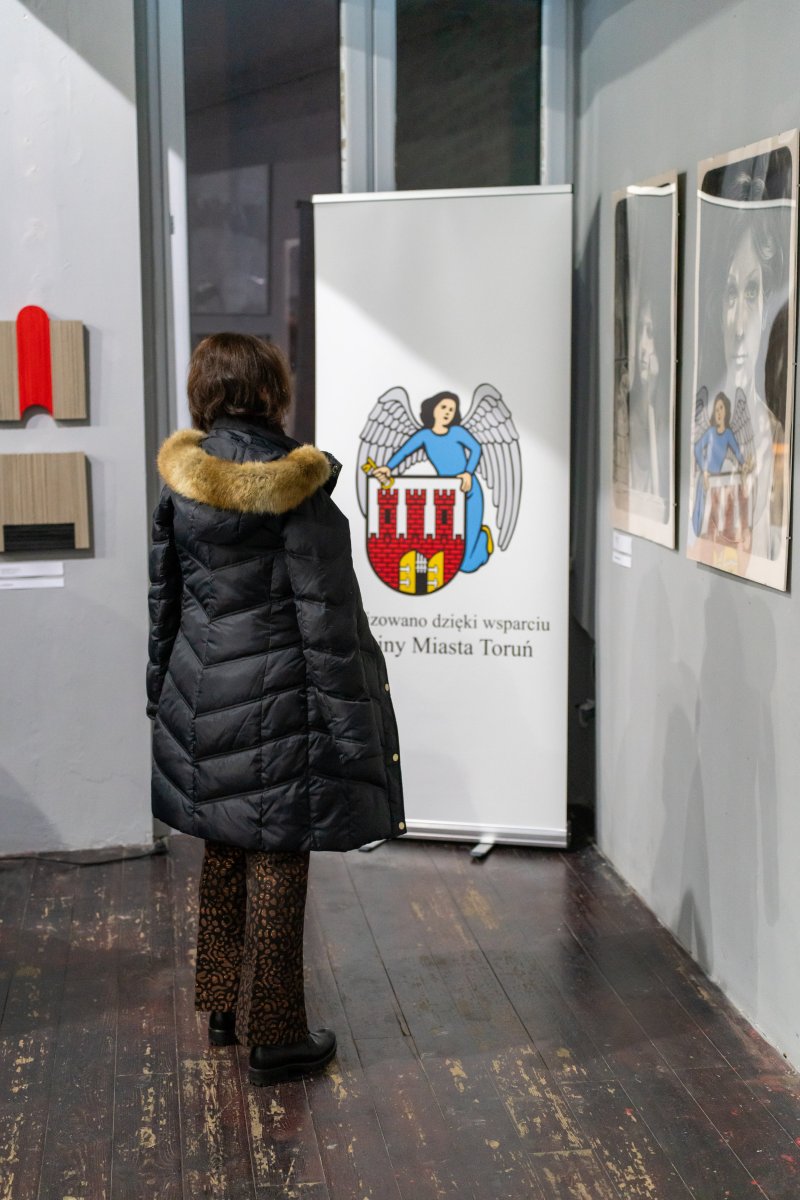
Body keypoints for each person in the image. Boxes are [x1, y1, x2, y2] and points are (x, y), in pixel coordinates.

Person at [146, 333, 405, 1086]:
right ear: (271, 391)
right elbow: (328, 623)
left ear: (204, 392)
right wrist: (355, 733)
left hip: (203, 697)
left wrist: (159, 692)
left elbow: (165, 603)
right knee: (279, 858)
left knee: (226, 845)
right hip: (284, 702)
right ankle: (277, 1034)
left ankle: (224, 1006)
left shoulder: (182, 483)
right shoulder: (298, 487)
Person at [371, 391, 492, 572]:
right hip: (448, 495)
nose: (447, 412)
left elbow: (476, 448)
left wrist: (468, 473)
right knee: (452, 554)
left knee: (466, 564)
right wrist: (388, 468)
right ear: (433, 409)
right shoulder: (424, 436)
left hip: (469, 491)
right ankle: (478, 541)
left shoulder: (457, 432)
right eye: (443, 407)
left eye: (451, 409)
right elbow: (404, 452)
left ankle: (483, 538)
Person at [691, 391, 749, 537]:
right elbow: (697, 448)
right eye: (716, 409)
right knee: (701, 512)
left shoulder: (728, 434)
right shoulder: (710, 432)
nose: (718, 412)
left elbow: (737, 451)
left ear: (726, 411)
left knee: (716, 513)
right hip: (706, 478)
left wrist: (743, 464)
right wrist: (704, 470)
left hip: (716, 480)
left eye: (721, 408)